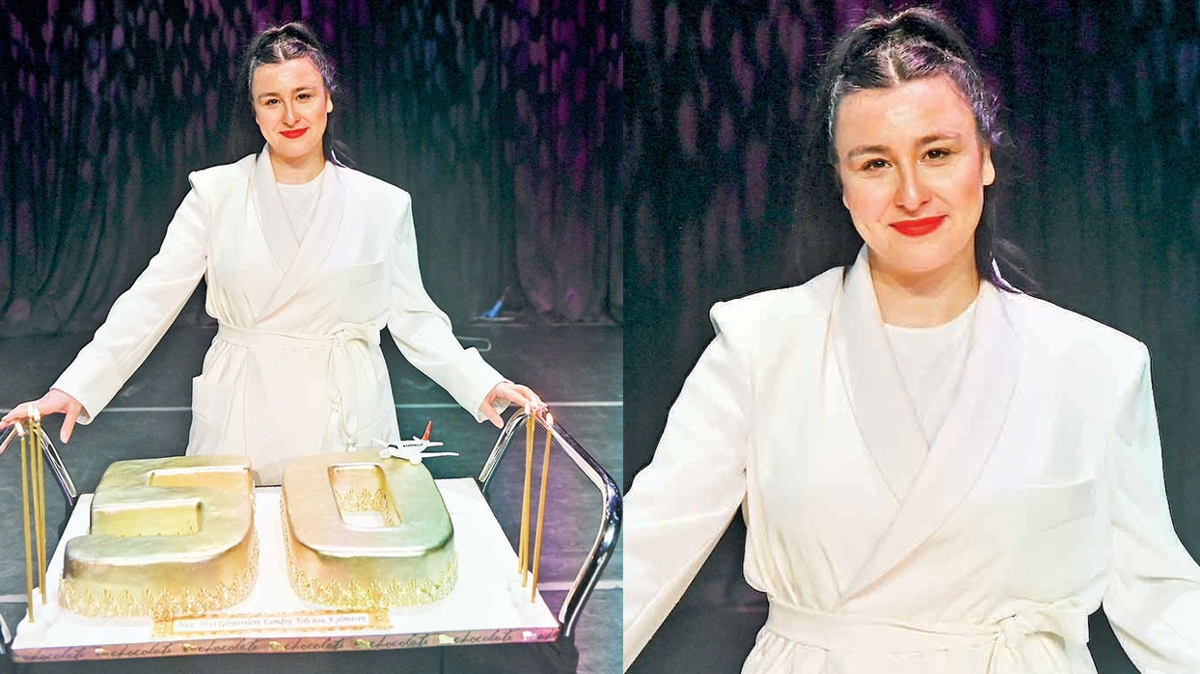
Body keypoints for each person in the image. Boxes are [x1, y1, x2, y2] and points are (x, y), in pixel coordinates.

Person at [623, 7, 1200, 674]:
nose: (911, 193)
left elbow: (1160, 600)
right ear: (842, 185)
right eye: (875, 163)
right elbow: (647, 551)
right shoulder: (759, 347)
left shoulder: (1096, 366)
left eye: (937, 153)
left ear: (985, 158)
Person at [0, 23, 542, 485]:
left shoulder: (382, 205)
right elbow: (150, 299)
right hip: (245, 414)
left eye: (303, 95)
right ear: (255, 112)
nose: (290, 115)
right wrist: (75, 386)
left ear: (328, 99)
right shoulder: (215, 195)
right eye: (272, 100)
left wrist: (482, 383)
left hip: (347, 417)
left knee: (345, 564)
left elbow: (415, 319)